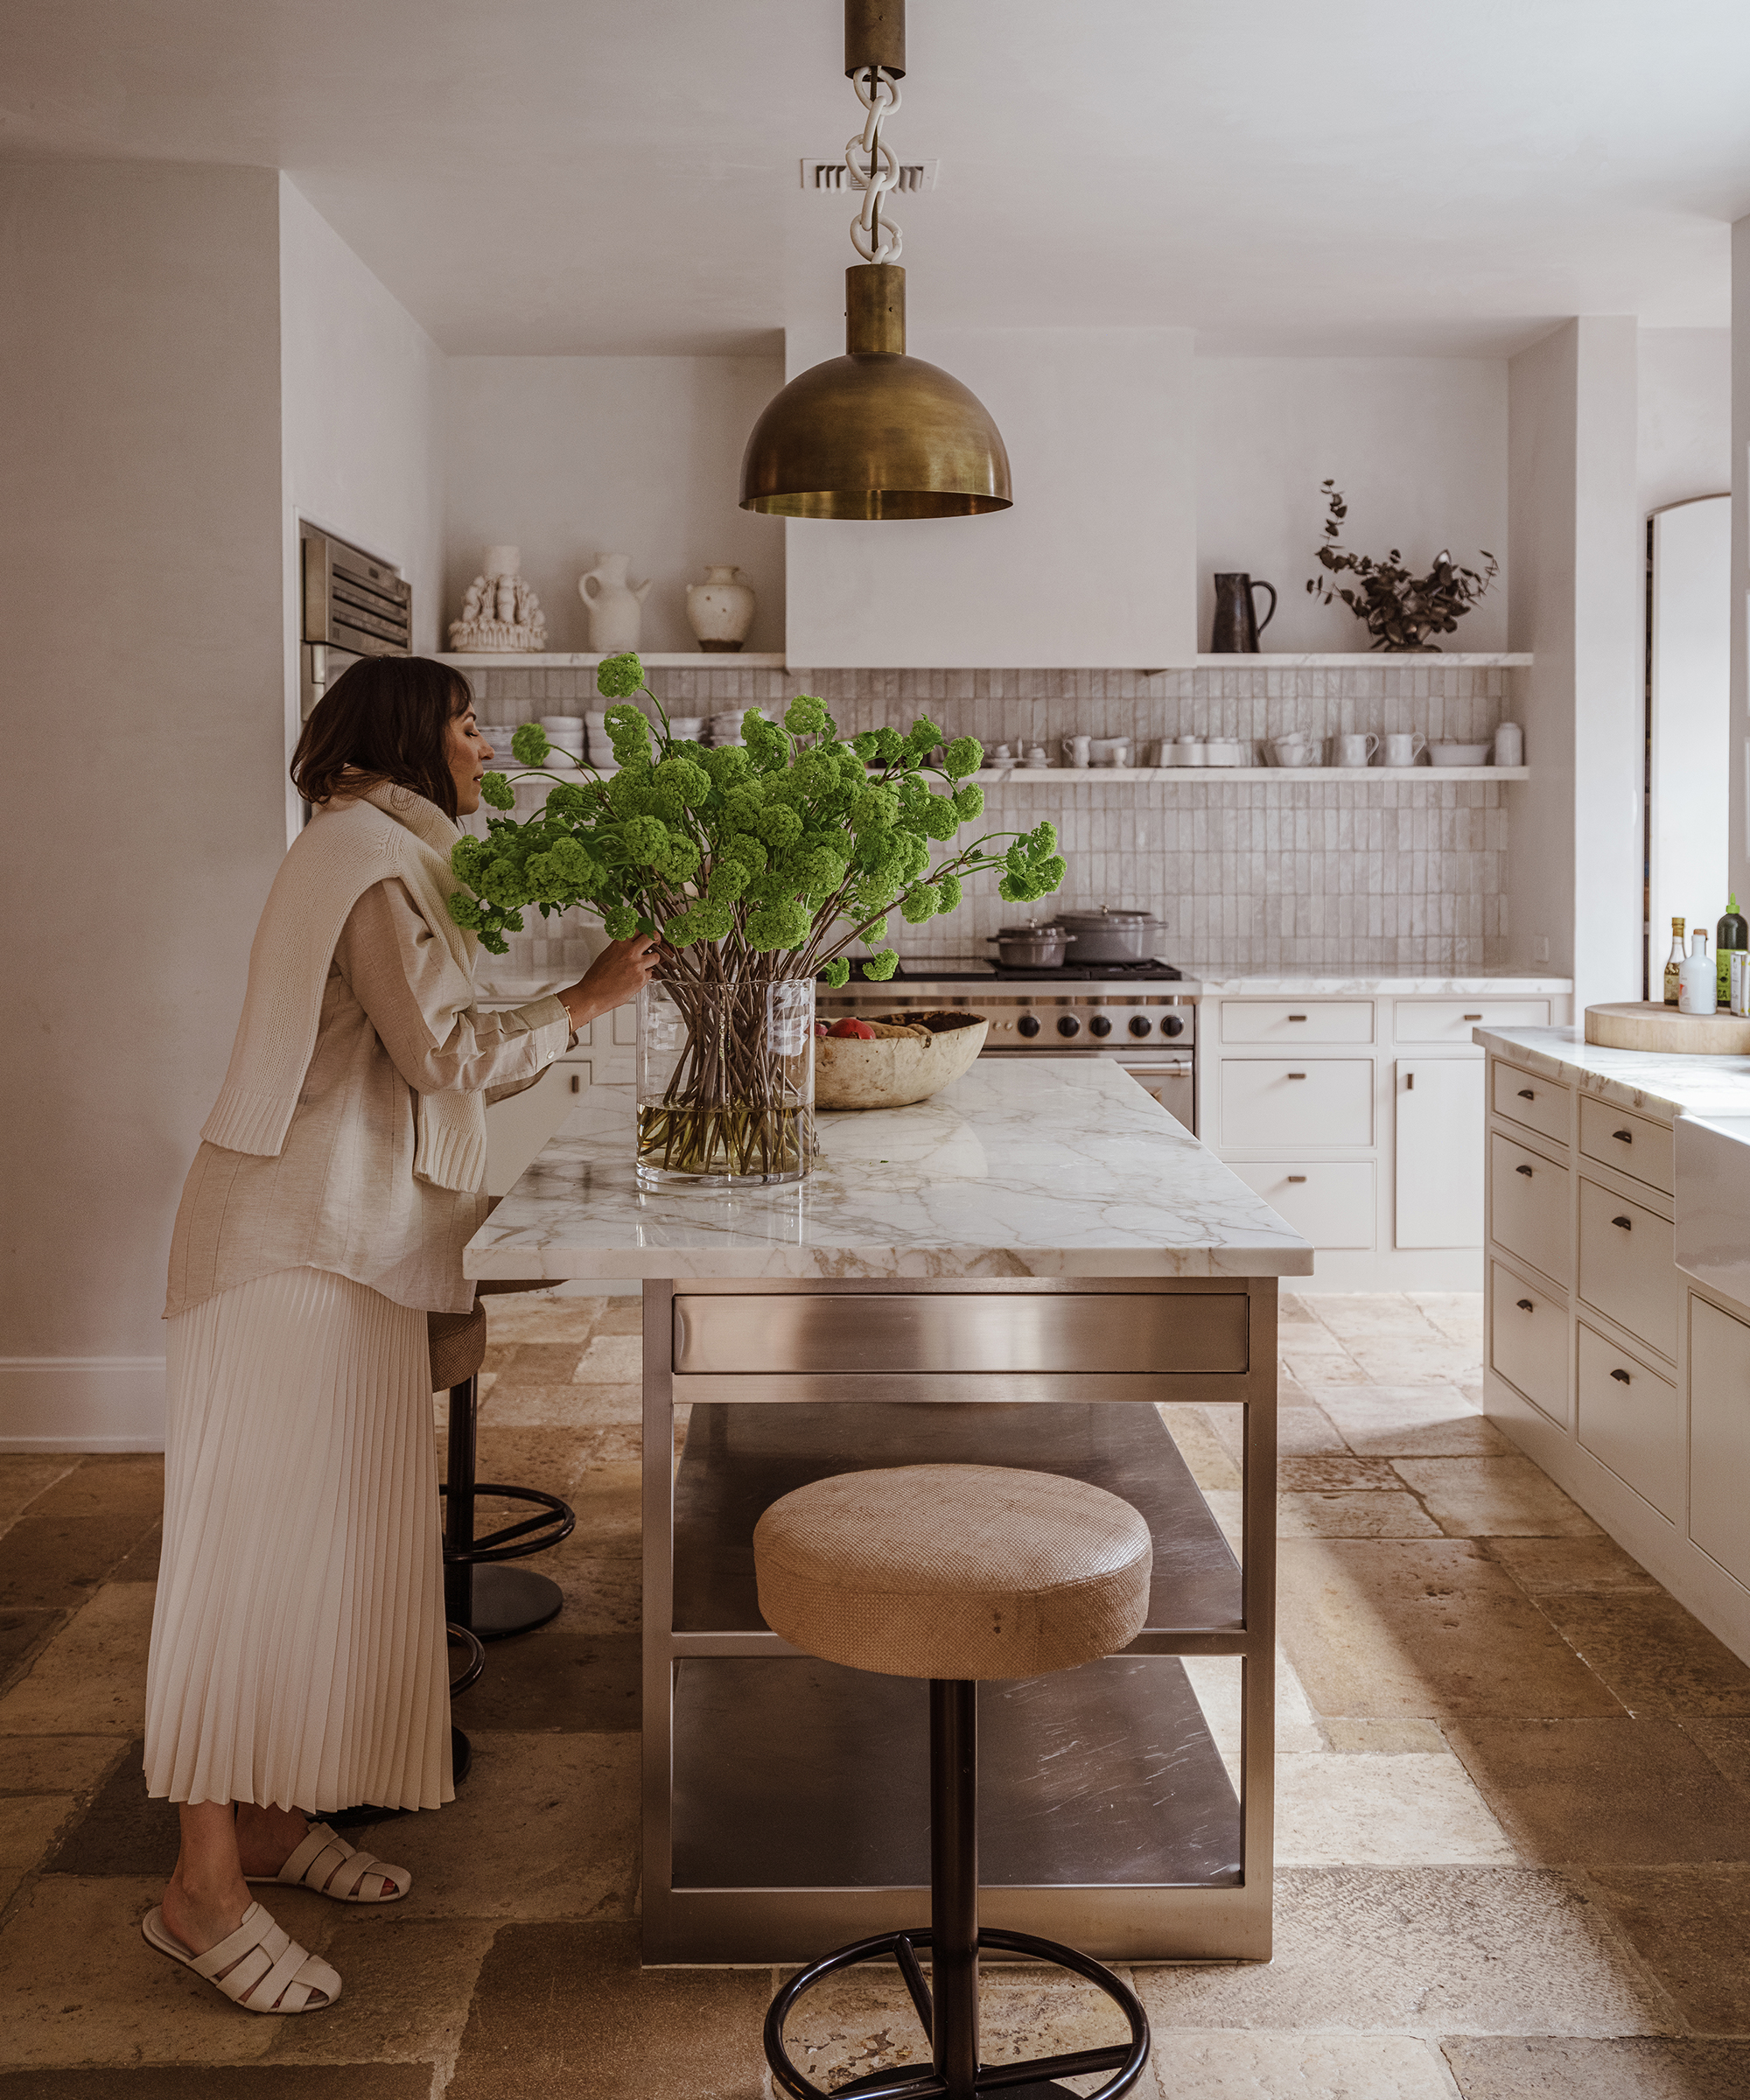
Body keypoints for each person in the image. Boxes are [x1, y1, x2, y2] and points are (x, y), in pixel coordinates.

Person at [139, 656, 657, 2012]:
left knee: (326, 1538)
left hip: (340, 1241)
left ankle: (257, 1820)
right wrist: (590, 1002)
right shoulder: (367, 861)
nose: (489, 749)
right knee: (246, 1561)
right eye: (472, 726)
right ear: (413, 737)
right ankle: (199, 1889)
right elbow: (437, 1052)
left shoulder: (373, 850)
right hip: (286, 1249)